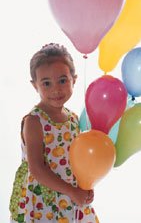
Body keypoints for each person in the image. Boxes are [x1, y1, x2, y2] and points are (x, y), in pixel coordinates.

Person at [9, 43, 99, 223]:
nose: (56, 89)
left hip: (70, 195)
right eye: (46, 83)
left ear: (74, 79)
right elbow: (37, 169)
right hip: (44, 199)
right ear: (35, 85)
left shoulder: (73, 118)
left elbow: (79, 159)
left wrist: (85, 185)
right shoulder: (34, 121)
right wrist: (72, 191)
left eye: (63, 80)